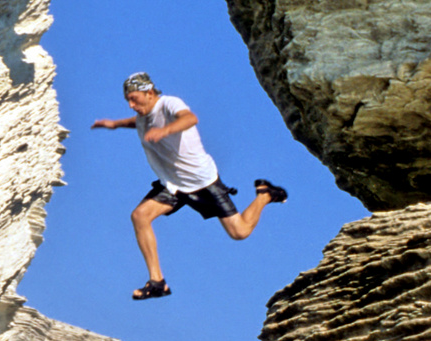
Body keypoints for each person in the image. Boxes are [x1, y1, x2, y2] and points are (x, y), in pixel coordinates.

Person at [91, 72, 287, 300]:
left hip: (202, 182)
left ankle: (264, 194)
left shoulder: (169, 104)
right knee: (140, 216)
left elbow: (190, 118)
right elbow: (136, 122)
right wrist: (114, 124)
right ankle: (157, 282)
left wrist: (166, 131)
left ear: (149, 93)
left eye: (134, 99)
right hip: (173, 185)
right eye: (128, 100)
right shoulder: (143, 116)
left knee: (240, 232)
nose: (131, 105)